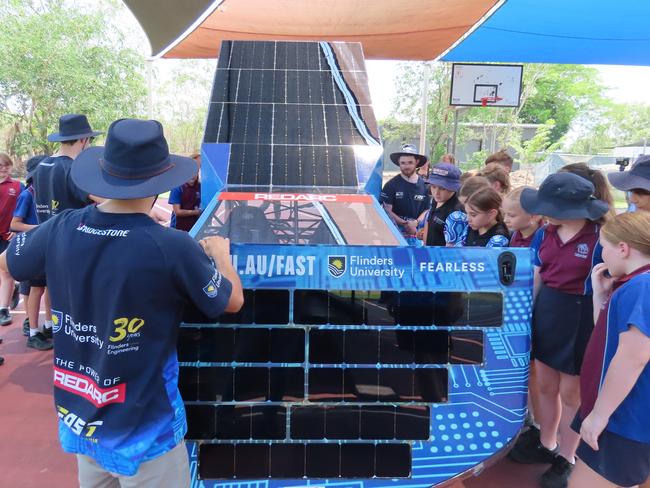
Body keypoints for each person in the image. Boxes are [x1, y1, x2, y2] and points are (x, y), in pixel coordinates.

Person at [0, 118, 244, 487]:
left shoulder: (61, 227)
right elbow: (232, 301)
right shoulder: (170, 247)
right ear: (160, 185)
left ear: (104, 177)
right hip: (147, 433)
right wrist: (220, 254)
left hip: (80, 420)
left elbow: (8, 262)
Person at [509, 172, 609, 488]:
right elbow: (538, 276)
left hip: (578, 317)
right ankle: (546, 441)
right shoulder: (544, 234)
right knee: (545, 386)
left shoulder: (598, 239)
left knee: (571, 394)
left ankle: (567, 456)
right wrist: (524, 315)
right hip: (546, 311)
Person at [566, 212, 650, 488]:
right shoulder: (632, 283)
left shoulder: (641, 286)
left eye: (604, 247)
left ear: (623, 248)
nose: (602, 256)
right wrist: (600, 298)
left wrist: (599, 415)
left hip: (625, 417)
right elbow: (610, 340)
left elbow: (634, 356)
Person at [11, 155, 53, 350]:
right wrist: (40, 230)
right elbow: (15, 224)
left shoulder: (49, 193)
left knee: (50, 288)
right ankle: (33, 332)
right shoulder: (28, 194)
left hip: (48, 247)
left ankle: (49, 325)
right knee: (36, 289)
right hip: (32, 247)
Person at [32, 113, 103, 223]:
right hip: (70, 236)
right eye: (91, 139)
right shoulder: (74, 170)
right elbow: (105, 200)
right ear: (83, 140)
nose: (89, 144)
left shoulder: (41, 166)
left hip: (46, 234)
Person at [381, 144, 430, 245]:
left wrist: (416, 223)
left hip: (418, 237)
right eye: (403, 163)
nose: (406, 166)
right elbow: (386, 210)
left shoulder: (425, 185)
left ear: (417, 162)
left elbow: (427, 209)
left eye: (410, 162)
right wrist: (404, 223)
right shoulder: (390, 185)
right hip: (395, 236)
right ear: (398, 163)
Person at [0, 153, 23, 328]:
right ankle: (13, 289)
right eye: (0, 165)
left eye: (6, 165)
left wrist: (16, 229)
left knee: (5, 273)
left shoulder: (17, 186)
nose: (3, 168)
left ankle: (3, 309)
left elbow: (23, 211)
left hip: (8, 235)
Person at [423, 163, 464, 247]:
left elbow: (451, 249)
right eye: (433, 187)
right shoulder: (435, 200)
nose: (436, 193)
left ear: (454, 187)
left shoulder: (456, 214)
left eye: (443, 188)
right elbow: (428, 222)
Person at [169, 152, 202, 232]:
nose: (193, 175)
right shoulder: (177, 187)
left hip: (194, 227)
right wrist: (196, 212)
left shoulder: (200, 186)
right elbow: (178, 212)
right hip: (178, 228)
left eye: (196, 171)